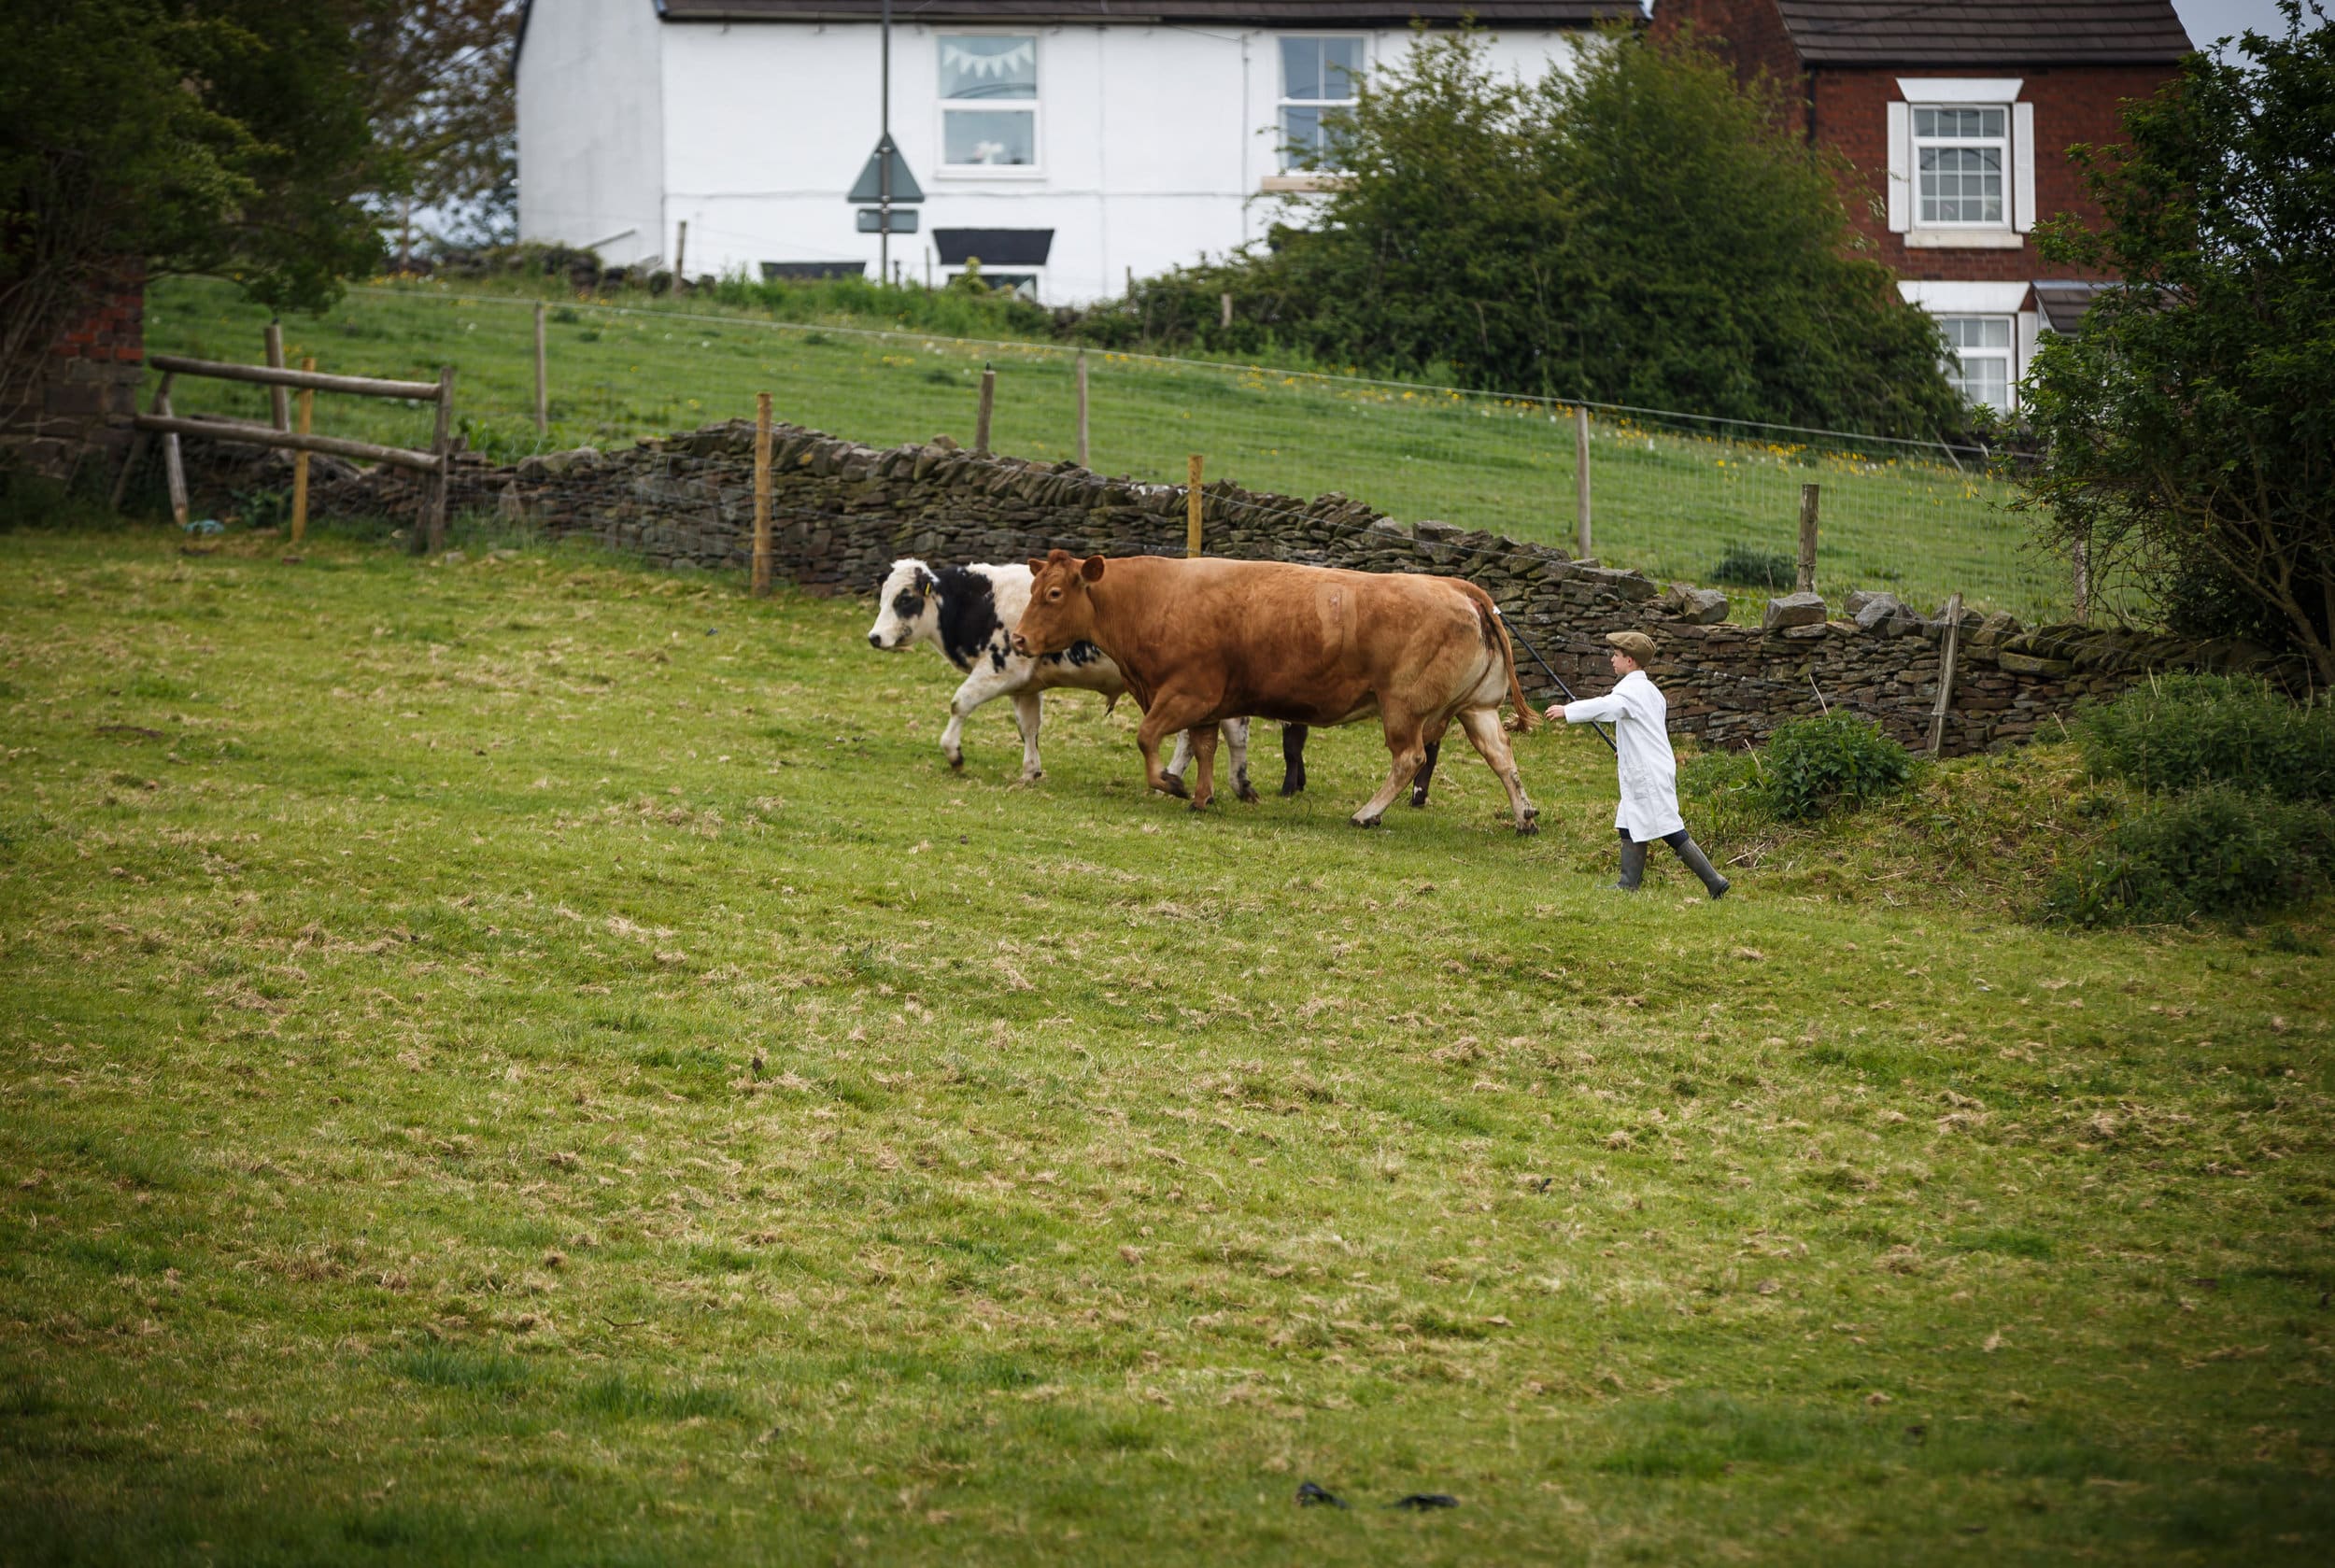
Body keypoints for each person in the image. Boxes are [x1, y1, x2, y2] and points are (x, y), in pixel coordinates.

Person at [1544, 631, 1731, 898]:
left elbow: (1605, 707)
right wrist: (1628, 750)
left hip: (1648, 773)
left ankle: (1714, 881)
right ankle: (1628, 883)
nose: (1612, 659)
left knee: (1670, 829)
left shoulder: (1630, 692)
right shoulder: (1651, 692)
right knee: (1629, 822)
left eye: (1616, 656)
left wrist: (1568, 711)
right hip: (1650, 766)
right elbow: (1645, 729)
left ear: (1629, 661)